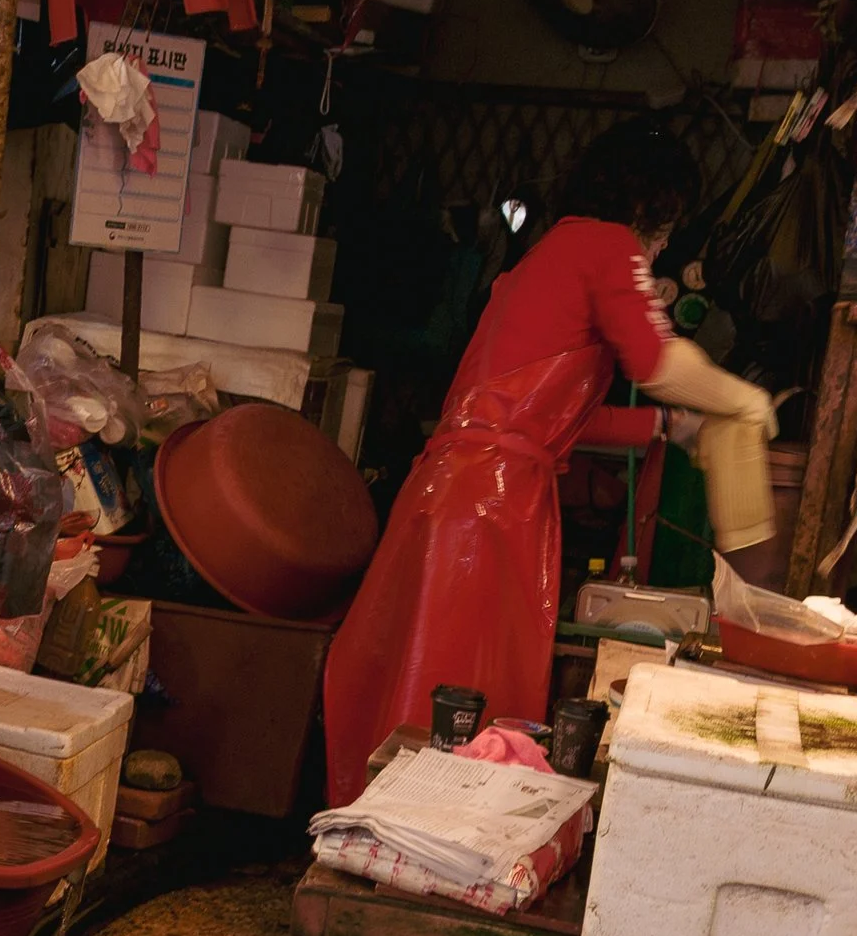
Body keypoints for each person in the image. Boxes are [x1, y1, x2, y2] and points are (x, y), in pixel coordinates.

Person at [321, 118, 776, 805]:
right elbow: (655, 361)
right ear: (656, 209)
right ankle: (423, 839)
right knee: (456, 689)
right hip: (489, 506)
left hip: (455, 489)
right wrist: (742, 401)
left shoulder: (547, 256)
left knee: (417, 678)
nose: (661, 250)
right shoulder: (606, 246)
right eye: (666, 230)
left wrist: (665, 427)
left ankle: (391, 827)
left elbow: (552, 416)